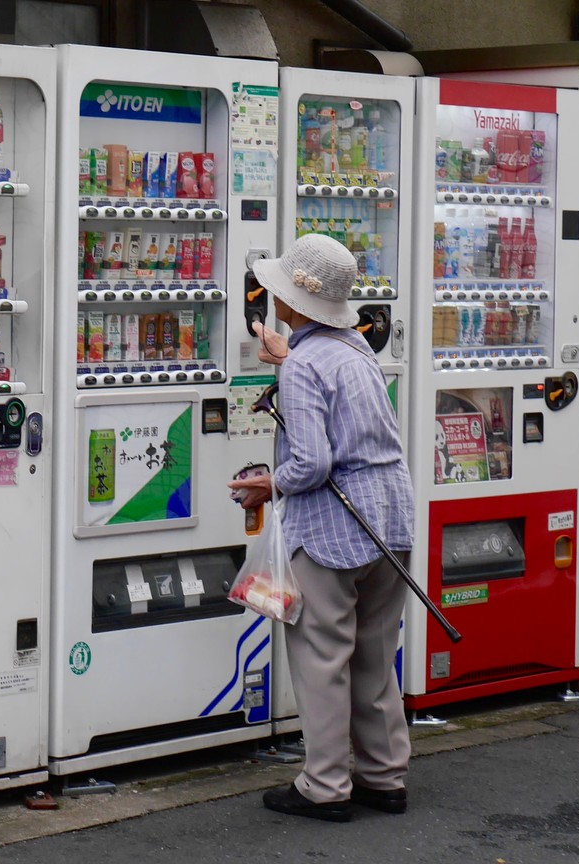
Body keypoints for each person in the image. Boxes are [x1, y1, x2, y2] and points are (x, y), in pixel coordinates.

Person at [228, 233, 415, 823]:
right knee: (374, 655)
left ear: (288, 301)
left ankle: (325, 784)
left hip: (333, 530)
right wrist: (288, 360)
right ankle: (384, 777)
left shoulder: (304, 365)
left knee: (322, 658)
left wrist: (268, 484)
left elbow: (311, 463)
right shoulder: (354, 348)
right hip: (390, 520)